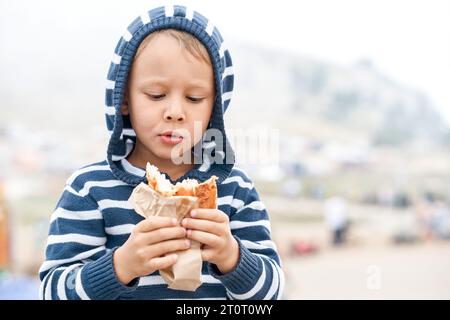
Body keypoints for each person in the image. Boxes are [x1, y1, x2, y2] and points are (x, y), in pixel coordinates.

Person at [38, 5, 283, 300]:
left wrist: (232, 257)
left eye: (194, 98)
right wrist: (120, 266)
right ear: (124, 99)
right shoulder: (89, 189)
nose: (175, 112)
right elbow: (52, 292)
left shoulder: (235, 190)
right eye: (156, 95)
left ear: (214, 109)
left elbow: (272, 295)